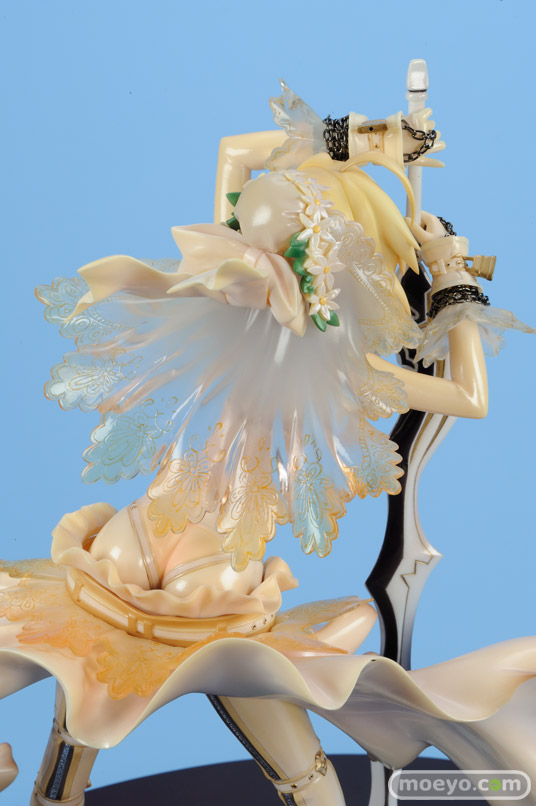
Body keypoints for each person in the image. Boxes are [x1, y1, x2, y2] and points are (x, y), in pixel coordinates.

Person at [1, 82, 535, 806]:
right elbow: (471, 397)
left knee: (84, 707)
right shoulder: (348, 364)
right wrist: (450, 273)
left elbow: (237, 151)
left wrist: (362, 138)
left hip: (135, 537)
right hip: (216, 571)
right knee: (307, 781)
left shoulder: (219, 285)